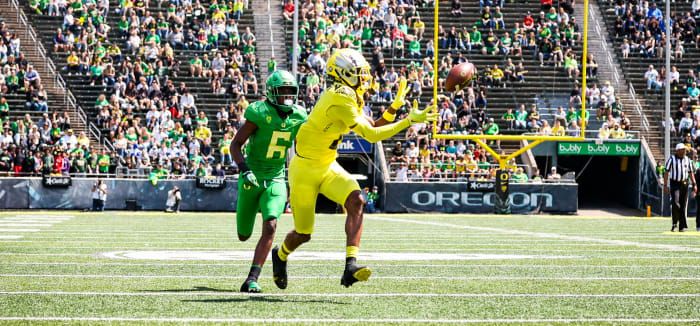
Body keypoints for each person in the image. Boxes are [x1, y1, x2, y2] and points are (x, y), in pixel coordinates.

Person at [272, 49, 437, 289]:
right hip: (304, 171)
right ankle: (281, 255)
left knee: (357, 200)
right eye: (360, 74)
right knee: (304, 233)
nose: (366, 79)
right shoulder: (338, 96)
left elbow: (372, 124)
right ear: (345, 74)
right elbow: (371, 134)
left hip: (327, 165)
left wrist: (395, 108)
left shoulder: (347, 94)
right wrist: (409, 121)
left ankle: (350, 265)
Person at [230, 70, 308, 293]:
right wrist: (244, 170)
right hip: (251, 177)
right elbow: (235, 144)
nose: (286, 96)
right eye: (282, 91)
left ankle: (252, 279)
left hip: (275, 176)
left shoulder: (299, 115)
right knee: (243, 235)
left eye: (290, 91)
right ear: (272, 92)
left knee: (271, 224)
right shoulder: (259, 112)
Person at [665, 144, 697, 232]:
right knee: (675, 203)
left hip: (685, 183)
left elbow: (691, 173)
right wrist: (665, 185)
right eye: (683, 150)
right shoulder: (672, 159)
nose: (684, 151)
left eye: (685, 150)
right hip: (675, 183)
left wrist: (694, 184)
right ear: (678, 150)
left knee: (683, 205)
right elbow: (666, 172)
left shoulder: (687, 160)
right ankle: (674, 223)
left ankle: (682, 226)